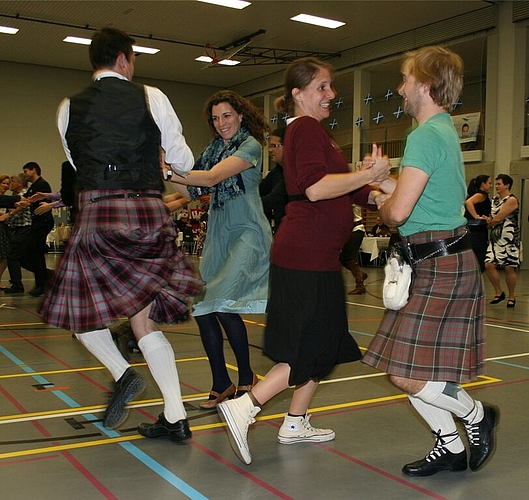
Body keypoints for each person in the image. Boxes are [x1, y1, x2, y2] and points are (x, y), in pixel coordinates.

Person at [214, 57, 391, 465]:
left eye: (331, 87)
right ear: (298, 94)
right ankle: (247, 405)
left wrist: (372, 181)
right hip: (306, 255)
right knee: (310, 344)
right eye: (322, 87)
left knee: (325, 341)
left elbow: (344, 190)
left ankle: (294, 422)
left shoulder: (317, 134)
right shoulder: (306, 128)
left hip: (316, 256)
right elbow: (314, 189)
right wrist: (367, 177)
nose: (331, 95)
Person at [39, 27, 203, 442]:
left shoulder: (66, 108)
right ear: (126, 59)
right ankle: (175, 416)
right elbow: (182, 159)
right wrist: (169, 168)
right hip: (147, 210)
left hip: (97, 212)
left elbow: (78, 164)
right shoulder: (152, 96)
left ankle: (123, 373)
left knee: (80, 314)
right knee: (143, 323)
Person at [363, 46, 498, 477]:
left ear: (424, 85)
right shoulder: (441, 131)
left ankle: (477, 416)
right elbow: (425, 199)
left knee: (405, 372)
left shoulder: (423, 135)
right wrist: (383, 182)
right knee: (410, 368)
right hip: (439, 259)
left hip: (439, 263)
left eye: (404, 79)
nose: (400, 88)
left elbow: (399, 213)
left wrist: (379, 207)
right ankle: (451, 446)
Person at [169, 90, 272, 410]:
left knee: (224, 304)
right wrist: (168, 169)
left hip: (247, 233)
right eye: (215, 118)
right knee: (202, 308)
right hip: (218, 236)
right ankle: (220, 382)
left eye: (226, 115)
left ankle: (246, 378)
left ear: (240, 115)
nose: (221, 123)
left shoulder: (250, 145)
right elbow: (188, 188)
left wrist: (167, 170)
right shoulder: (213, 150)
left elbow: (212, 178)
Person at [16, 162, 54, 297]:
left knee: (32, 251)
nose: (24, 174)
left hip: (42, 222)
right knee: (33, 253)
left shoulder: (41, 185)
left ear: (34, 170)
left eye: (26, 171)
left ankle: (42, 281)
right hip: (37, 222)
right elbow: (26, 200)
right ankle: (45, 277)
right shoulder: (34, 187)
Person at [484, 174, 519, 307]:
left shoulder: (511, 200)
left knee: (509, 267)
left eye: (499, 184)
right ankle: (499, 291)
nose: (496, 186)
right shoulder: (494, 200)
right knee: (489, 264)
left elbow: (499, 218)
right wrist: (487, 220)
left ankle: (511, 296)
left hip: (509, 238)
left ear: (507, 185)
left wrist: (489, 223)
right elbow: (492, 217)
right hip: (495, 237)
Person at [3, 174, 32, 294]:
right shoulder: (15, 196)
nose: (10, 183)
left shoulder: (23, 195)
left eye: (12, 181)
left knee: (12, 255)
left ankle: (17, 285)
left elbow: (21, 207)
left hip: (23, 228)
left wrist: (7, 215)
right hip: (17, 228)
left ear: (20, 183)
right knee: (23, 258)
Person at [259, 127, 288, 232]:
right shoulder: (276, 173)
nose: (270, 150)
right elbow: (258, 192)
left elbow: (271, 200)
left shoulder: (293, 174)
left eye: (274, 146)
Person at [464, 175, 492, 272]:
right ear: (483, 184)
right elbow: (468, 202)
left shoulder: (481, 196)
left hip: (476, 232)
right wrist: (476, 216)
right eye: (489, 183)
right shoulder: (481, 195)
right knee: (478, 261)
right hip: (477, 233)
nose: (491, 186)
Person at [340, 205, 368, 295]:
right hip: (351, 231)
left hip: (356, 230)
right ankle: (361, 274)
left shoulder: (350, 198)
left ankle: (360, 286)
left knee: (350, 259)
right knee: (343, 260)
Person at [0, 175, 13, 289]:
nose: (6, 186)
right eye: (3, 183)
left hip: (4, 227)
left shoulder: (6, 198)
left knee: (4, 256)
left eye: (7, 184)